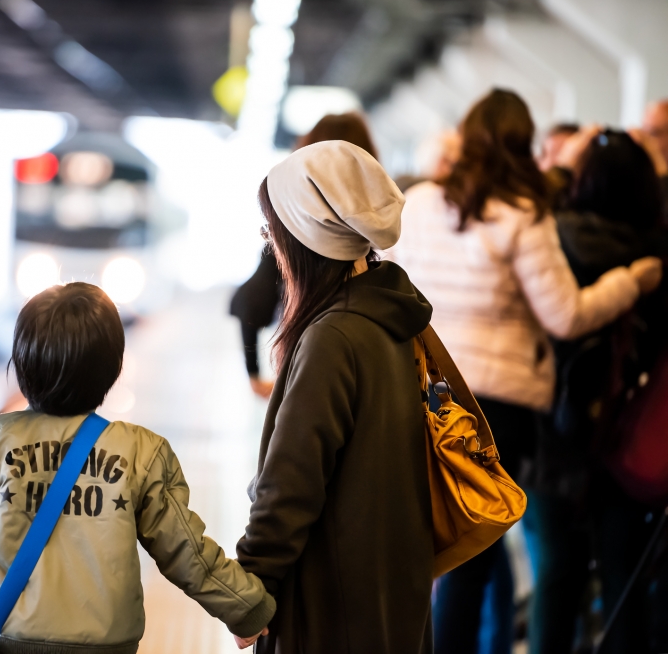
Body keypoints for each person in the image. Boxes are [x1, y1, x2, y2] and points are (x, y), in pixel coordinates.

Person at [386, 89, 662, 654]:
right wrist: (631, 282)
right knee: (470, 560)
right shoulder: (523, 216)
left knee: (415, 552)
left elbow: (389, 292)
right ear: (522, 144)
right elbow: (566, 315)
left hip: (418, 394)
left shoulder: (418, 203)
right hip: (494, 410)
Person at [0, 282, 275, 653]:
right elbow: (186, 553)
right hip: (103, 643)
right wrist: (246, 610)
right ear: (113, 366)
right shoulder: (142, 452)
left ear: (22, 361)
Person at [237, 141, 436, 653]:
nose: (271, 247)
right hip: (392, 594)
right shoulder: (390, 315)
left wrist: (250, 591)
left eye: (270, 233)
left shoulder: (333, 337)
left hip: (334, 610)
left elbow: (291, 484)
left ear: (300, 240)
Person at [535, 130, 668, 654]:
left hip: (554, 432)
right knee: (622, 575)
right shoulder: (658, 256)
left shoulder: (554, 241)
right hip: (629, 436)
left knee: (555, 571)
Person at [230, 112, 380, 399]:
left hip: (309, 365)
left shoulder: (298, 224)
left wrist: (254, 374)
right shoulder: (382, 220)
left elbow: (252, 299)